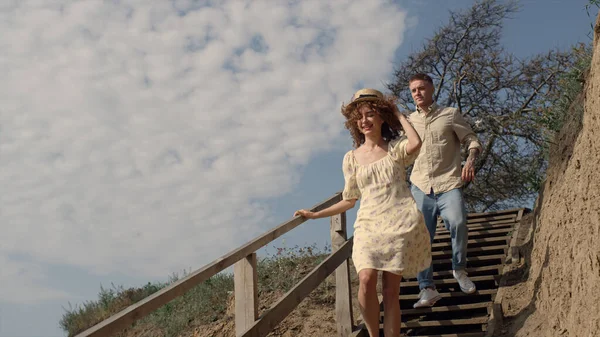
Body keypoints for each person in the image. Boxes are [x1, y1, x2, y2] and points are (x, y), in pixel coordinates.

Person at [294, 88, 431, 337]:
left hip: (399, 223)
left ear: (381, 117)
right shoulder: (351, 158)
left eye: (370, 114)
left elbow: (416, 143)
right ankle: (372, 333)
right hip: (368, 225)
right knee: (366, 280)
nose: (364, 121)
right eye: (359, 117)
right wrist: (315, 215)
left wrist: (398, 113)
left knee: (391, 294)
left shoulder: (395, 149)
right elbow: (349, 200)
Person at [406, 73, 482, 309]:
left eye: (421, 89)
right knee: (421, 237)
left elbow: (471, 139)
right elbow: (398, 152)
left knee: (458, 222)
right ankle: (426, 287)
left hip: (448, 184)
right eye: (413, 91)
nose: (417, 94)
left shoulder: (449, 115)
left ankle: (459, 269)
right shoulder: (408, 121)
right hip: (420, 186)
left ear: (431, 90)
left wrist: (469, 161)